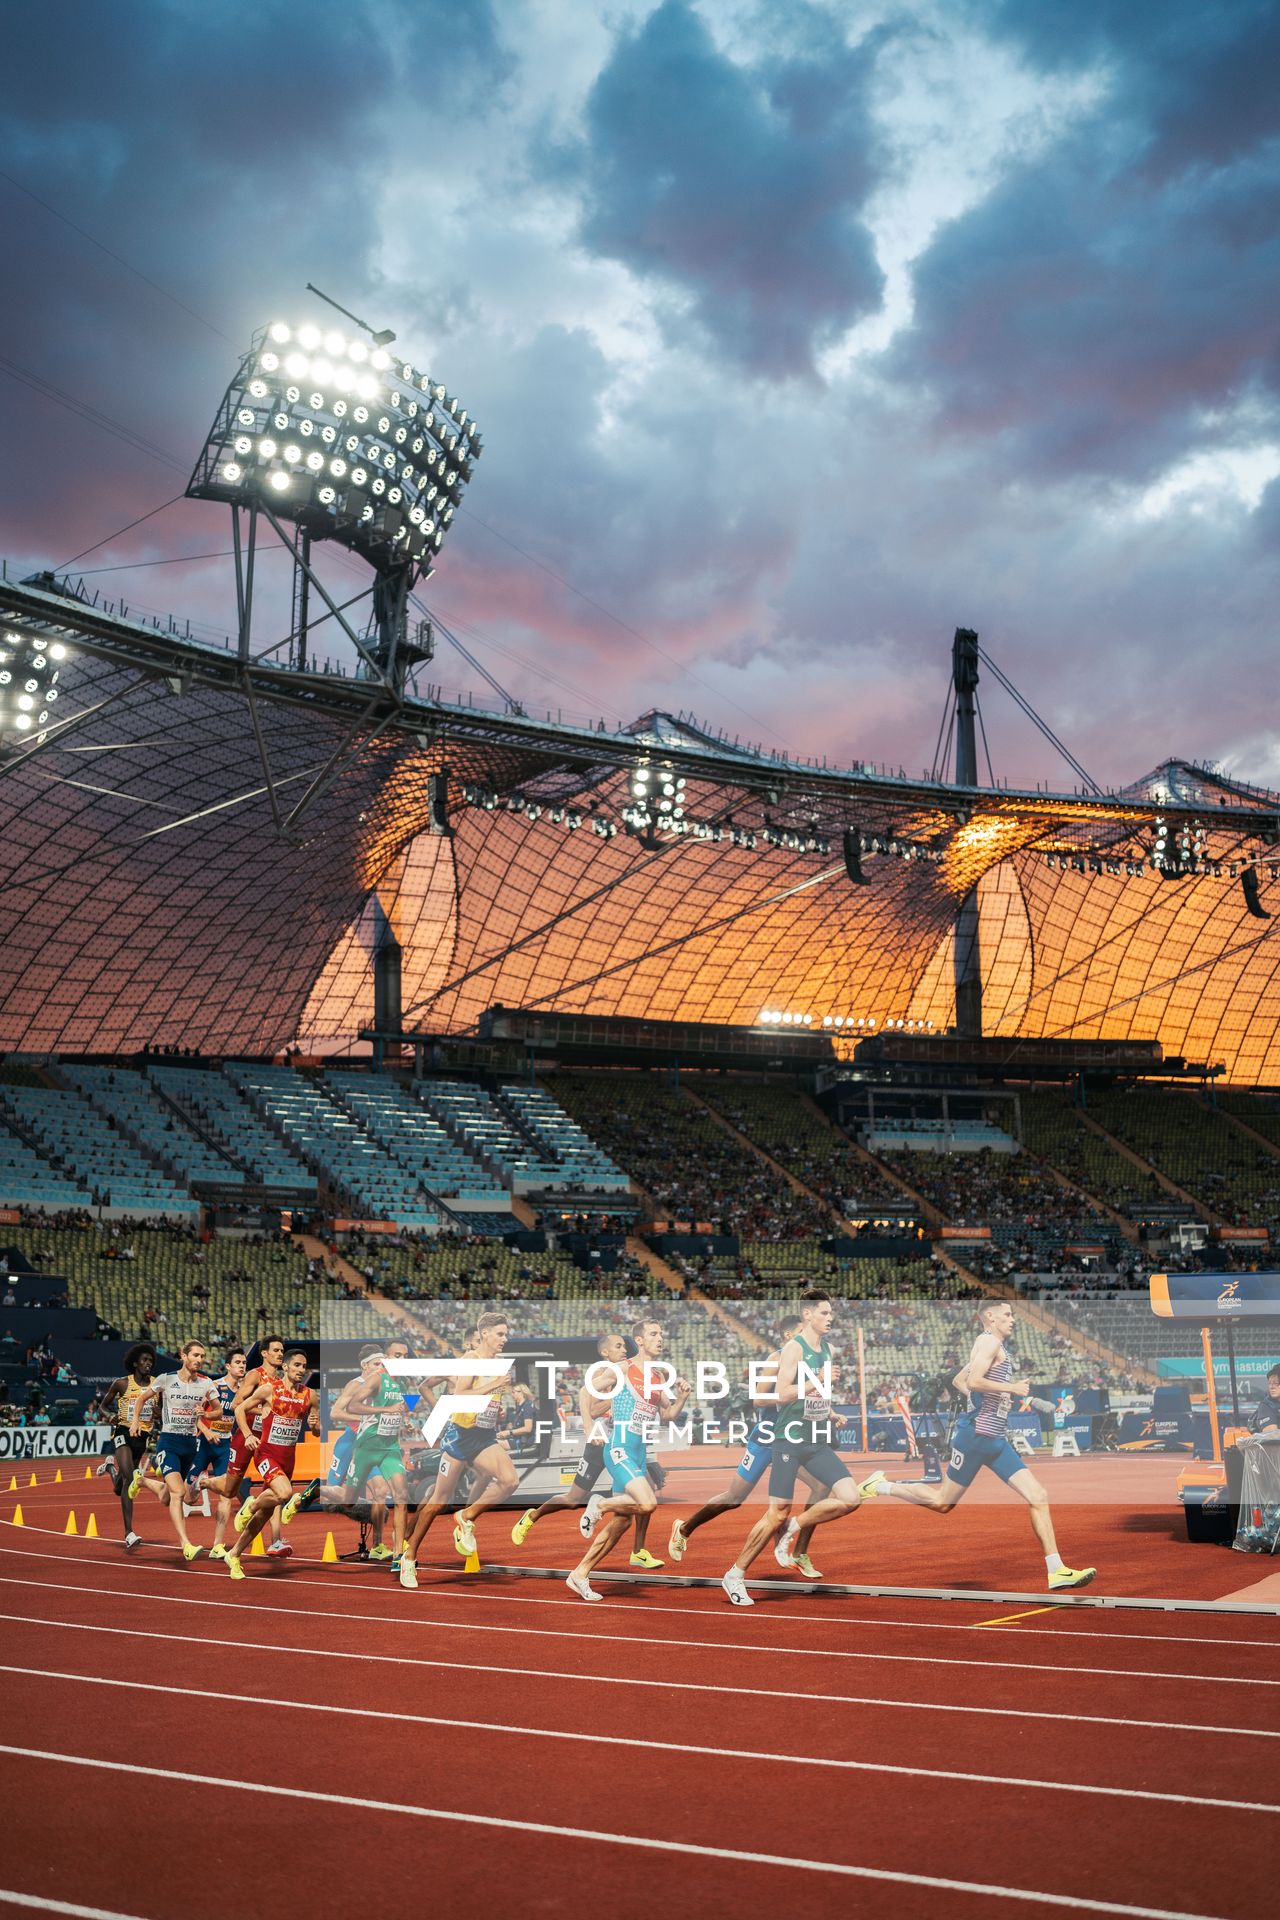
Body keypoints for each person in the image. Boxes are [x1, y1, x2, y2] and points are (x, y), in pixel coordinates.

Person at [859, 1299, 1097, 1592]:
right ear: (990, 1317)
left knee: (1038, 1494)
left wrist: (991, 1398)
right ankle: (880, 1486)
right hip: (974, 1437)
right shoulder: (988, 1343)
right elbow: (972, 1380)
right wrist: (1009, 1389)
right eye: (1007, 1315)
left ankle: (1056, 1570)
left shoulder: (993, 1346)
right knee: (942, 1503)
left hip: (995, 1440)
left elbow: (960, 1380)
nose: (1013, 1319)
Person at [722, 1291, 864, 1607]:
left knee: (850, 1498)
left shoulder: (828, 1349)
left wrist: (829, 1411)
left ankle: (794, 1527)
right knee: (776, 1512)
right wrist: (818, 1380)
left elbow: (813, 1396)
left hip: (815, 1439)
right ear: (808, 1315)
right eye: (825, 1313)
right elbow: (783, 1393)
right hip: (787, 1440)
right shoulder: (792, 1349)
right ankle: (735, 1573)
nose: (831, 1318)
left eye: (831, 1313)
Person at [668, 1315, 823, 1577]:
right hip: (768, 1437)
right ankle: (683, 1528)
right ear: (788, 1337)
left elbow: (807, 1403)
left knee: (821, 1485)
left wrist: (829, 1415)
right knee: (734, 1498)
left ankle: (799, 1551)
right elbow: (759, 1399)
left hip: (791, 1438)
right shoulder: (776, 1360)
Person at [511, 1331, 665, 1567]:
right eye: (618, 1346)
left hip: (624, 1442)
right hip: (600, 1444)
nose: (624, 1350)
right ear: (605, 1352)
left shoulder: (632, 1373)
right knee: (573, 1499)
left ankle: (639, 1549)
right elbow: (591, 1410)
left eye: (625, 1346)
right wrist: (600, 1416)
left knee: (638, 1497)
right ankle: (532, 1515)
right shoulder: (605, 1374)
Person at [567, 1319, 690, 1602]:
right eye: (654, 1333)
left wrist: (682, 1397)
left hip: (637, 1453)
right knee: (648, 1504)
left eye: (661, 1333)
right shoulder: (624, 1369)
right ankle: (599, 1505)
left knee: (621, 1523)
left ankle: (579, 1574)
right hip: (619, 1448)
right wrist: (589, 1429)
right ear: (641, 1340)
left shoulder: (658, 1377)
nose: (660, 1337)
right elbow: (585, 1392)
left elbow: (668, 1415)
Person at [399, 1314, 516, 1590]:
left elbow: (488, 1401)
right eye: (500, 1334)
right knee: (439, 1500)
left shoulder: (498, 1364)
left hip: (484, 1435)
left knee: (510, 1481)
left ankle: (466, 1517)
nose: (505, 1339)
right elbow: (460, 1394)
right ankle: (409, 1556)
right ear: (484, 1333)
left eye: (506, 1334)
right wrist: (493, 1386)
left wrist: (496, 1409)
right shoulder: (470, 1361)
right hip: (460, 1437)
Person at [224, 1349, 320, 1580]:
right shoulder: (270, 1389)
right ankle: (252, 1504)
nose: (300, 1370)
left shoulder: (310, 1396)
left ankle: (234, 1554)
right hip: (266, 1454)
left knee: (266, 1514)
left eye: (304, 1366)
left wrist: (316, 1425)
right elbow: (239, 1408)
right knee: (285, 1493)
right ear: (285, 1367)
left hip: (288, 1458)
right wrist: (247, 1435)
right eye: (296, 1365)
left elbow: (317, 1431)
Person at [131, 1340, 221, 1561]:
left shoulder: (206, 1383)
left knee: (170, 1496)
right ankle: (186, 1544)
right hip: (169, 1442)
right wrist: (135, 1421)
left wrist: (206, 1415)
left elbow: (218, 1411)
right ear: (184, 1355)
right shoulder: (166, 1378)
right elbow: (141, 1399)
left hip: (190, 1444)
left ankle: (142, 1481)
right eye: (196, 1355)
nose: (199, 1360)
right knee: (178, 1494)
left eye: (202, 1356)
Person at [341, 1342, 412, 1566]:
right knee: (348, 1502)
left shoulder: (403, 1381)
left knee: (401, 1496)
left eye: (405, 1356)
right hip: (367, 1446)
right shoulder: (376, 1378)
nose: (402, 1360)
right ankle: (316, 1491)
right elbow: (352, 1406)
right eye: (397, 1356)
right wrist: (385, 1410)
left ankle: (399, 1555)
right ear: (387, 1358)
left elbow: (401, 1408)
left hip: (390, 1447)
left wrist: (406, 1421)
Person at [224, 1334, 288, 1556]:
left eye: (282, 1351)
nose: (280, 1354)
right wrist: (265, 1411)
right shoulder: (254, 1375)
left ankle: (276, 1540)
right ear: (264, 1353)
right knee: (229, 1490)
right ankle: (204, 1483)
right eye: (276, 1350)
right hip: (246, 1436)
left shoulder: (282, 1382)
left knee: (276, 1489)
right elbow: (236, 1404)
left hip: (268, 1441)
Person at [95, 1341, 158, 1551]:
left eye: (151, 1360)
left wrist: (160, 1415)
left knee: (118, 1487)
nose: (148, 1363)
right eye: (144, 1360)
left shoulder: (156, 1384)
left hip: (142, 1436)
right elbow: (102, 1406)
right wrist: (110, 1415)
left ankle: (111, 1468)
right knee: (131, 1480)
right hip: (123, 1432)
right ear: (134, 1363)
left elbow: (159, 1410)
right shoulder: (121, 1384)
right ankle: (129, 1532)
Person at [190, 1347, 248, 1560]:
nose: (242, 1365)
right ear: (228, 1366)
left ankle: (217, 1545)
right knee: (188, 1498)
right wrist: (205, 1431)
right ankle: (200, 1482)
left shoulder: (244, 1392)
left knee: (227, 1494)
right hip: (204, 1444)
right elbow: (195, 1414)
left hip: (225, 1447)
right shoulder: (214, 1387)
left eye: (244, 1363)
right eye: (238, 1362)